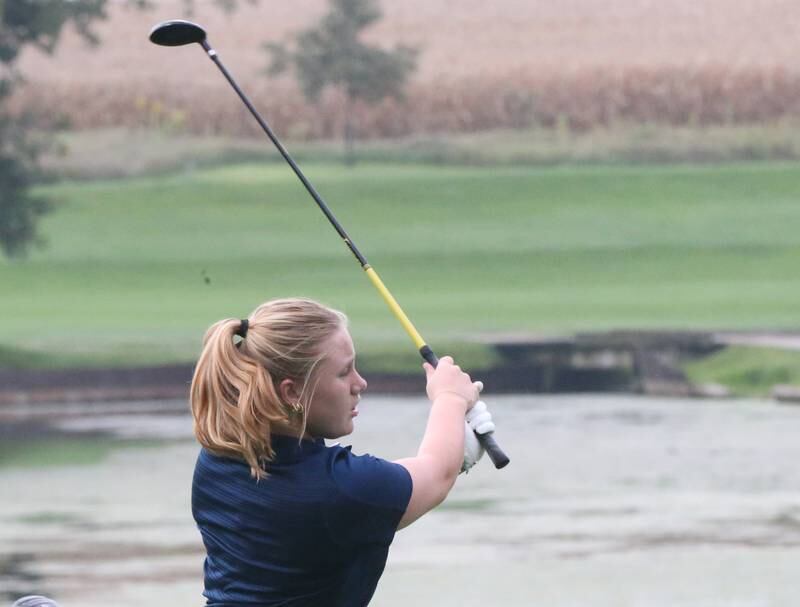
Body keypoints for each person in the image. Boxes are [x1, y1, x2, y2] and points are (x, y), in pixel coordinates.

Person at [190, 297, 495, 607]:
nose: (359, 383)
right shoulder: (339, 491)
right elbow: (434, 475)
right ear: (292, 391)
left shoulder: (216, 461)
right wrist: (450, 399)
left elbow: (381, 492)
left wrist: (453, 445)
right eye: (343, 372)